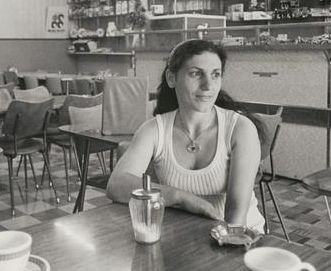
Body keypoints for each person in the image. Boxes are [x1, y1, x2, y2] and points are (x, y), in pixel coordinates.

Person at [106, 39, 266, 231]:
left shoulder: (240, 128)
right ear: (171, 78)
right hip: (186, 235)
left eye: (215, 75)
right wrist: (180, 197)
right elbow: (116, 184)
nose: (208, 85)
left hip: (241, 235)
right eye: (196, 74)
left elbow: (236, 215)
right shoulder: (154, 130)